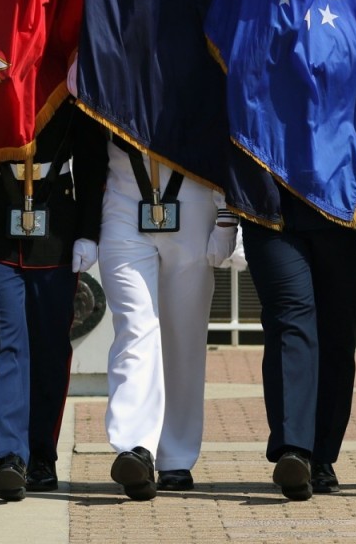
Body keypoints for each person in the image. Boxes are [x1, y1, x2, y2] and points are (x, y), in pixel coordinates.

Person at [0, 101, 106, 501]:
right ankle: (9, 456)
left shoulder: (68, 65)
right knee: (2, 346)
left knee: (49, 348)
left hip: (56, 222)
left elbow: (91, 156)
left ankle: (41, 456)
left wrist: (88, 229)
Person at [229, 149, 356, 501]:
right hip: (269, 204)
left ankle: (321, 455)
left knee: (336, 331)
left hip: (341, 200)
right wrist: (226, 211)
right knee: (290, 319)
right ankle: (293, 449)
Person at [91, 135, 236, 501]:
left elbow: (224, 126)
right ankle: (135, 446)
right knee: (135, 326)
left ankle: (175, 456)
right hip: (123, 197)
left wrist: (227, 214)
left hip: (194, 198)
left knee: (183, 337)